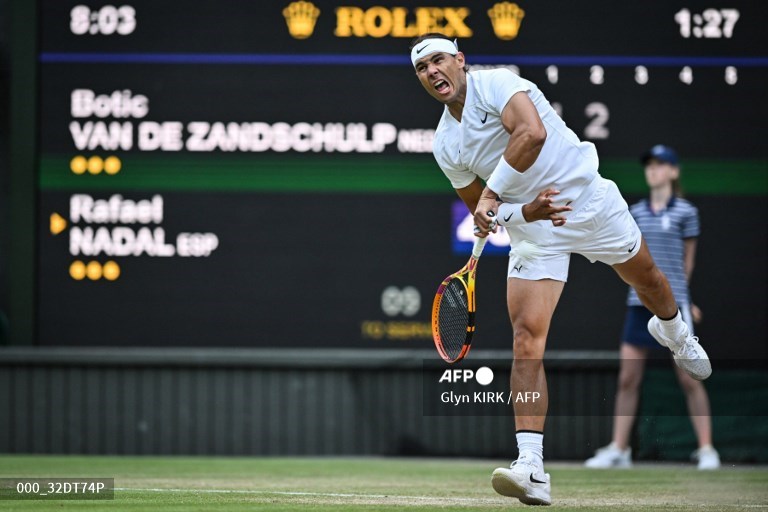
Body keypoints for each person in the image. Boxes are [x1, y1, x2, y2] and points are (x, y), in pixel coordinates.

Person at [409, 33, 711, 506]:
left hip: (589, 203)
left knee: (649, 280)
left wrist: (495, 195)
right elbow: (482, 214)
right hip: (537, 230)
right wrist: (520, 214)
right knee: (526, 338)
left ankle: (675, 332)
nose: (432, 72)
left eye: (439, 60)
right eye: (422, 68)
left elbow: (532, 133)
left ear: (461, 61)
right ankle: (531, 466)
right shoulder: (446, 144)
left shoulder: (499, 86)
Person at [585, 145, 720, 471]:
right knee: (628, 378)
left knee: (690, 379)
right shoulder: (635, 212)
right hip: (638, 303)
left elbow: (686, 263)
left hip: (675, 307)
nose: (653, 170)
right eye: (650, 165)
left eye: (661, 165)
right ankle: (619, 449)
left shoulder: (687, 212)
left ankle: (706, 450)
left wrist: (685, 300)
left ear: (673, 172)